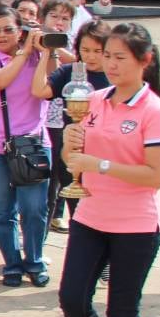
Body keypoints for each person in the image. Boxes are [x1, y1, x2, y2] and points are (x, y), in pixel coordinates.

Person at [58, 23, 160, 317]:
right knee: (72, 298)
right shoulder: (94, 100)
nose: (111, 64)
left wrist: (100, 165)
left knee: (122, 310)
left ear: (145, 61)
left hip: (135, 224)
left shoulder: (154, 111)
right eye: (107, 56)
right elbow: (72, 161)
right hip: (91, 215)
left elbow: (155, 175)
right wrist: (70, 145)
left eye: (120, 57)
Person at [0, 4, 52, 287]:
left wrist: (46, 47)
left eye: (9, 29)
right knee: (2, 210)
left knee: (34, 208)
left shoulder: (35, 56)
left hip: (31, 144)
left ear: (21, 31)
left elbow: (58, 72)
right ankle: (12, 265)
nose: (2, 35)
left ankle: (35, 260)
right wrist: (23, 53)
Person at [34, 20, 110, 227]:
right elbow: (40, 91)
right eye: (85, 50)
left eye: (98, 50)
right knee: (80, 215)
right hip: (72, 152)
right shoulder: (69, 72)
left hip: (106, 156)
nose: (91, 56)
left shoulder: (116, 76)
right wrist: (45, 54)